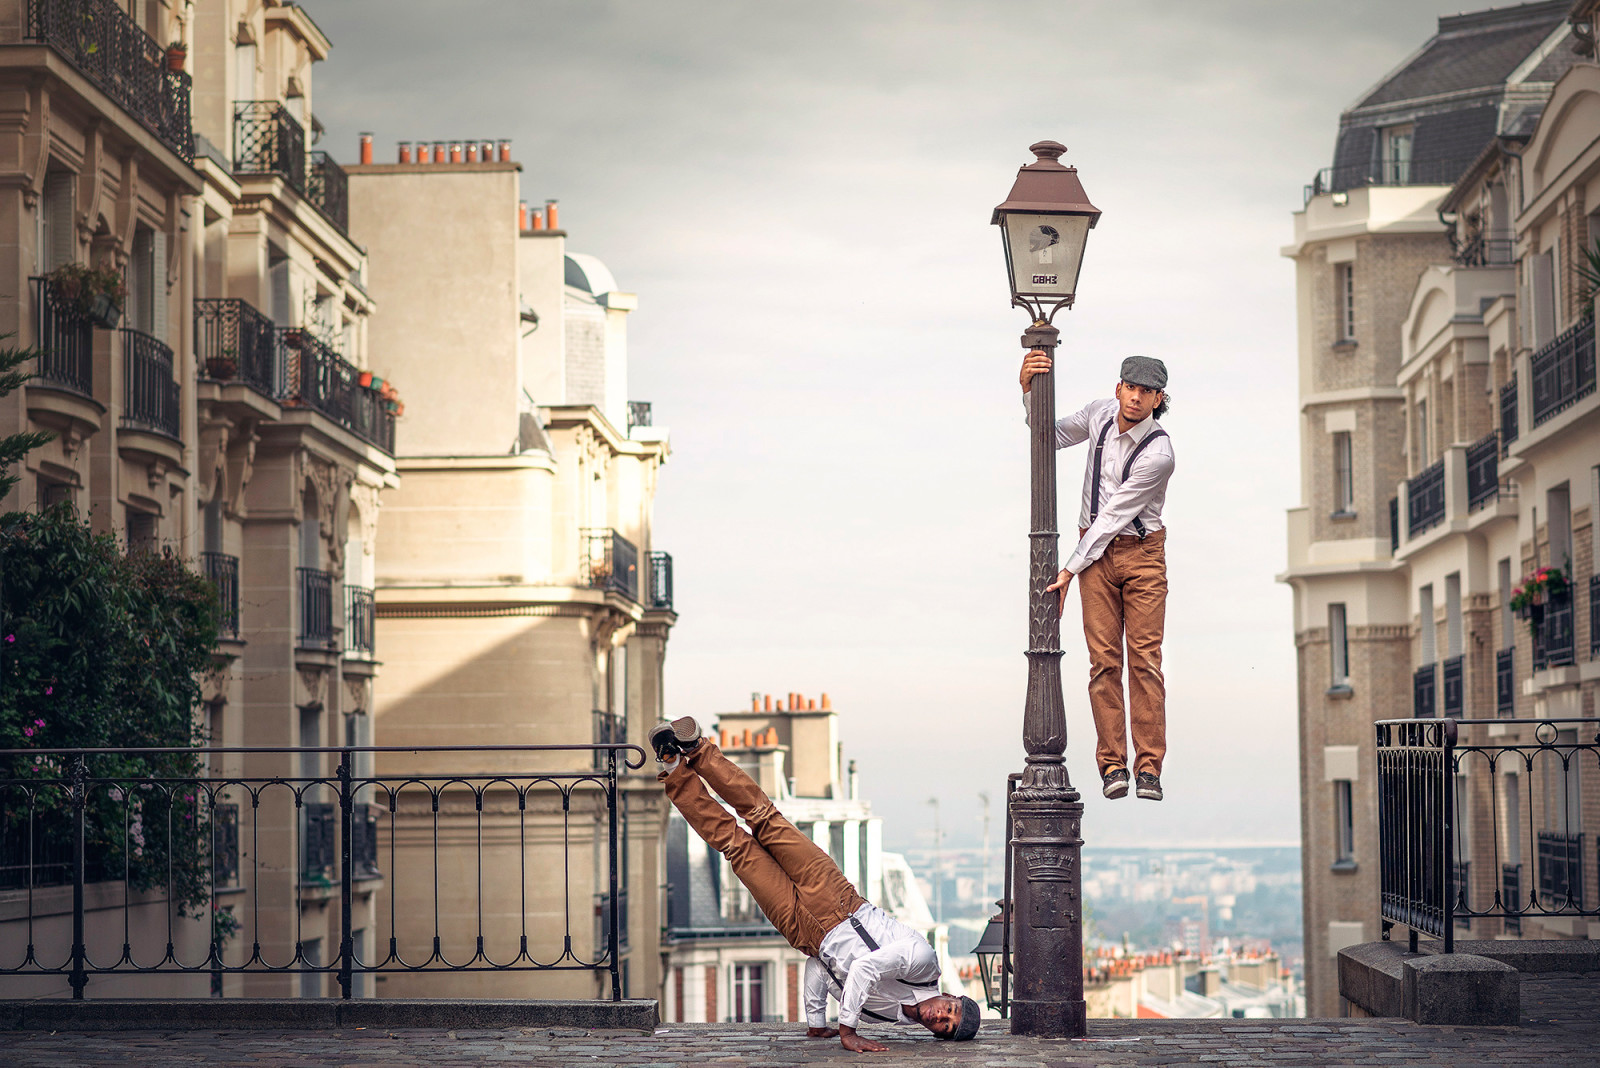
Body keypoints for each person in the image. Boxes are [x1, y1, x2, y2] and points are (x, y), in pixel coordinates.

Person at [649, 716, 981, 1051]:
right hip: (836, 899)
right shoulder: (923, 962)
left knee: (734, 845)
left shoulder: (883, 1015)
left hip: (805, 932)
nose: (941, 1017)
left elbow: (820, 970)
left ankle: (675, 766)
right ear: (951, 995)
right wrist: (847, 1031)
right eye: (950, 1010)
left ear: (935, 1033)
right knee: (763, 818)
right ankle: (698, 750)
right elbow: (866, 966)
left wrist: (817, 1022)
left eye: (944, 1027)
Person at [1020, 351, 1175, 803]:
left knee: (1144, 660)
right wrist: (1029, 391)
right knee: (1103, 662)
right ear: (1118, 388)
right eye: (1130, 387)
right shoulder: (1098, 415)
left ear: (1158, 399)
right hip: (1096, 553)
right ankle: (1113, 766)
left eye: (1146, 391)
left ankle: (1148, 768)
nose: (1136, 396)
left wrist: (1069, 568)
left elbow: (1113, 517)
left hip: (1141, 554)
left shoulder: (1160, 453)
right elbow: (1045, 437)